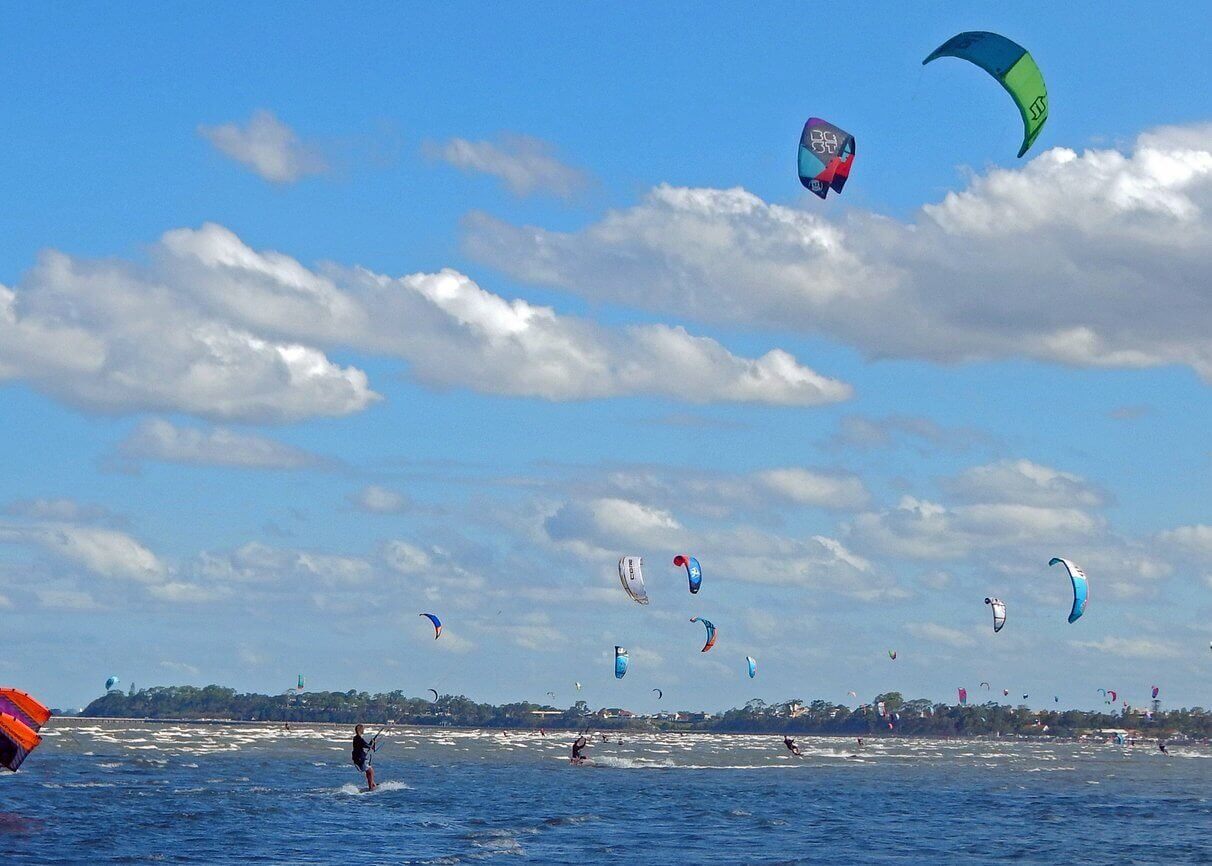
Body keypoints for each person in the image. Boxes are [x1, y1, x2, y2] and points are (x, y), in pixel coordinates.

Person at [352, 724, 377, 791]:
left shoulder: (355, 738)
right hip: (360, 758)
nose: (364, 730)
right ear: (361, 730)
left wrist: (371, 743)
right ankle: (371, 787)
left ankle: (372, 784)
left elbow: (365, 745)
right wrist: (373, 743)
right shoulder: (359, 739)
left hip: (357, 758)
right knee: (370, 771)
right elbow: (368, 746)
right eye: (363, 729)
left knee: (368, 771)